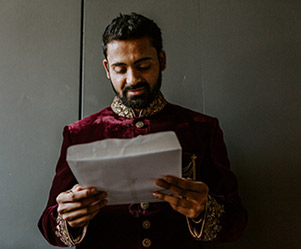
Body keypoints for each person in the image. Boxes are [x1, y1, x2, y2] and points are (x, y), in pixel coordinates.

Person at [38, 13, 247, 249]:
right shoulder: (78, 134)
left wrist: (203, 209)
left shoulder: (202, 129)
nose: (133, 78)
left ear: (162, 60)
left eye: (143, 66)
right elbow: (47, 226)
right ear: (107, 69)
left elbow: (236, 222)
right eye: (120, 69)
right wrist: (68, 217)